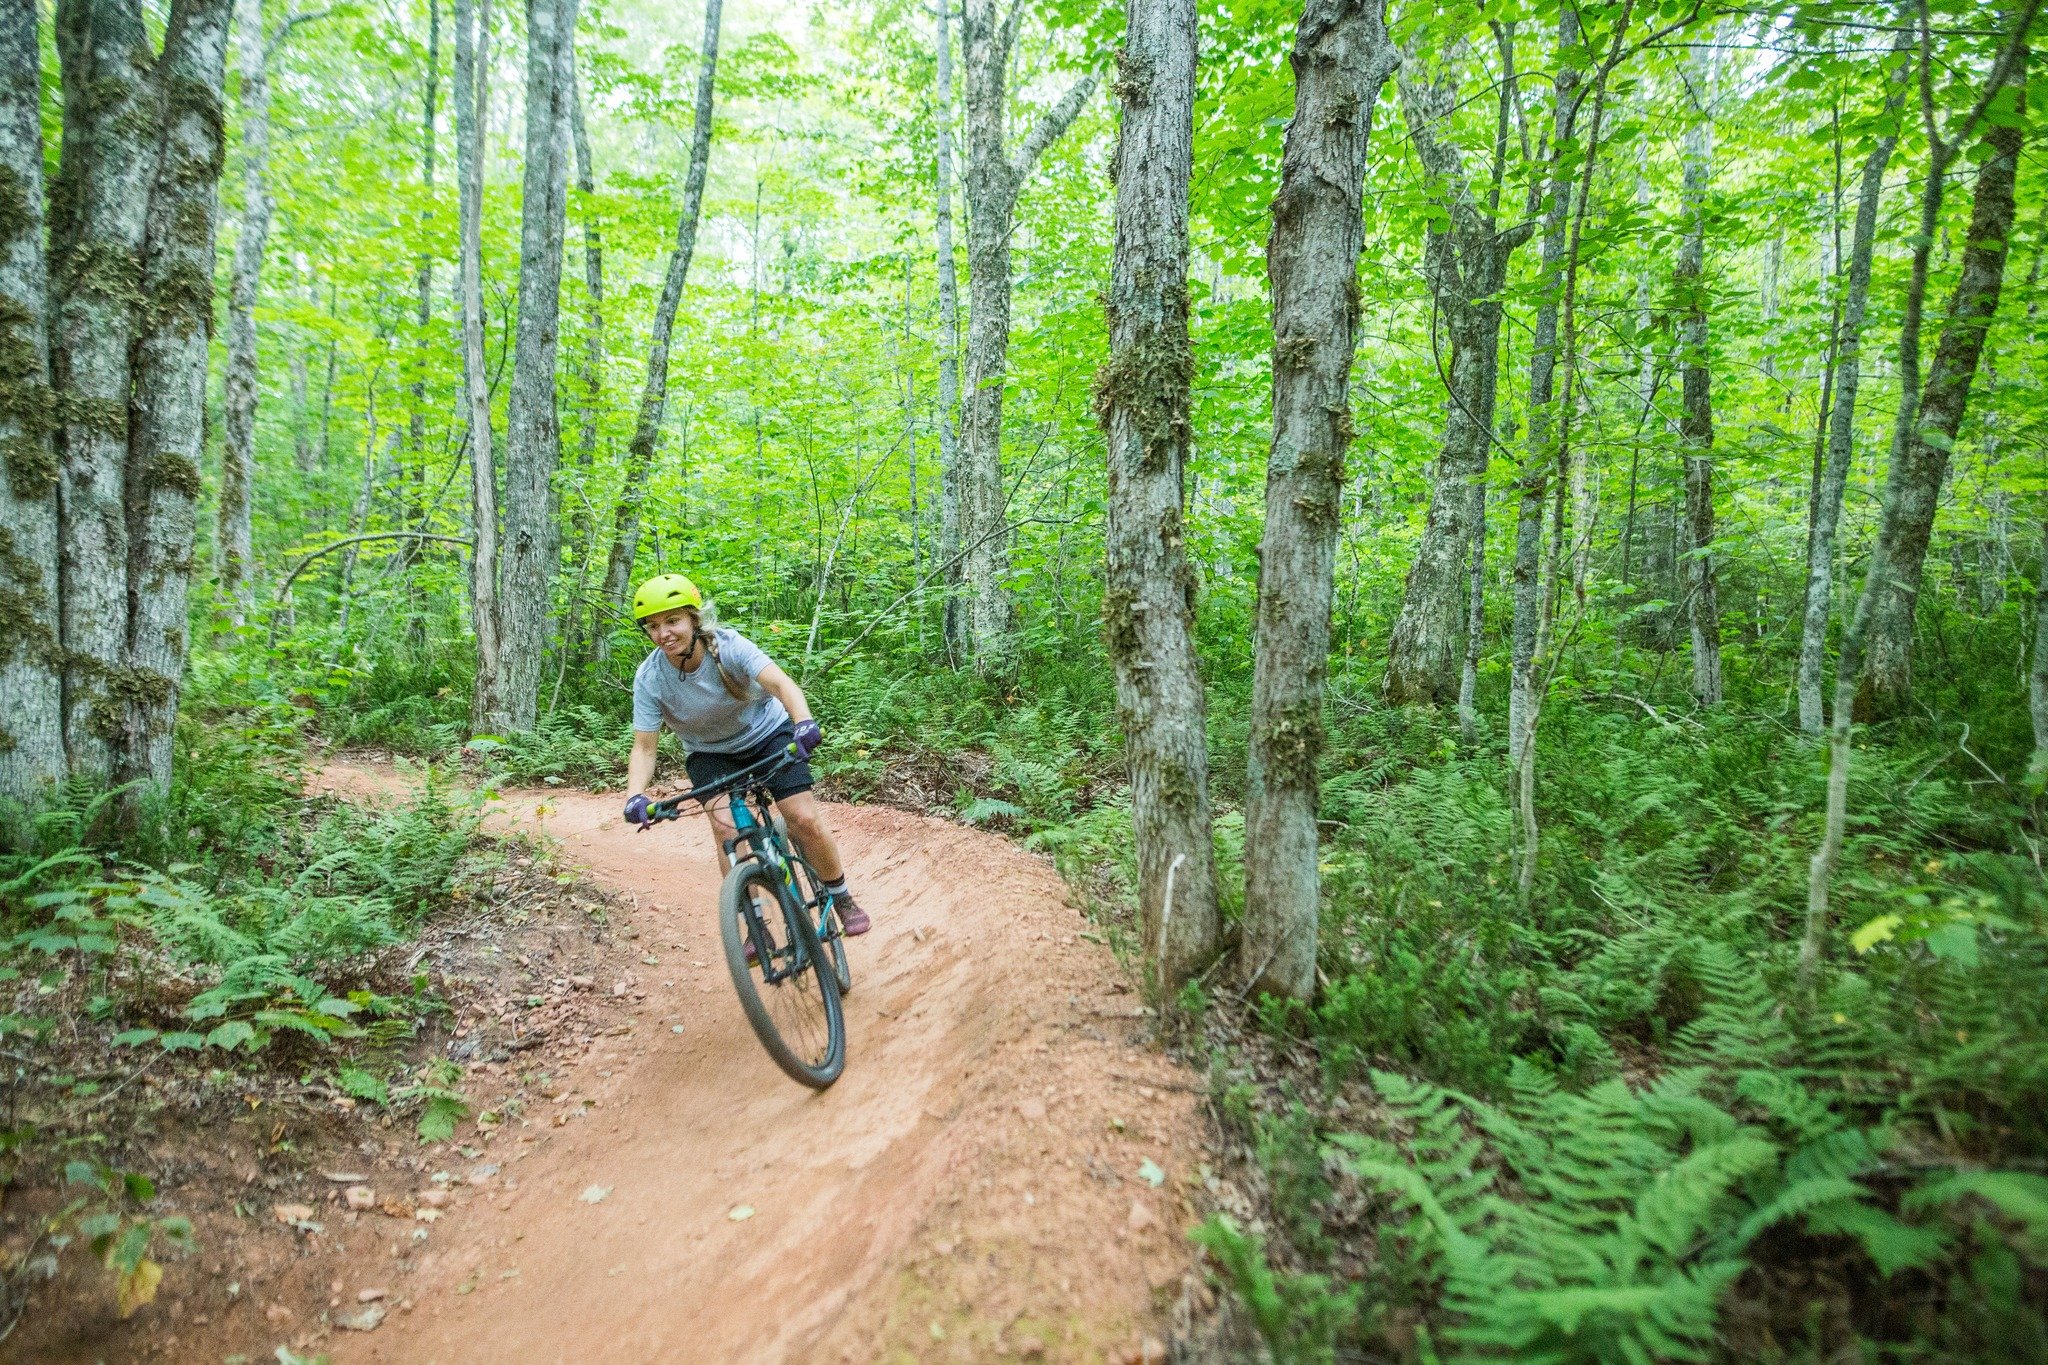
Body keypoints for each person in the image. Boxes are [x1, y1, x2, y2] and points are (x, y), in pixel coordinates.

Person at [621, 573, 870, 935]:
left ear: (693, 618)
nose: (664, 633)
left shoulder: (730, 646)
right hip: (710, 754)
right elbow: (644, 747)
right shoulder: (649, 678)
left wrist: (803, 722)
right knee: (725, 828)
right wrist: (634, 796)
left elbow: (780, 683)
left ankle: (841, 895)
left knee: (803, 819)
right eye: (653, 626)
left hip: (767, 736)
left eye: (672, 620)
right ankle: (753, 919)